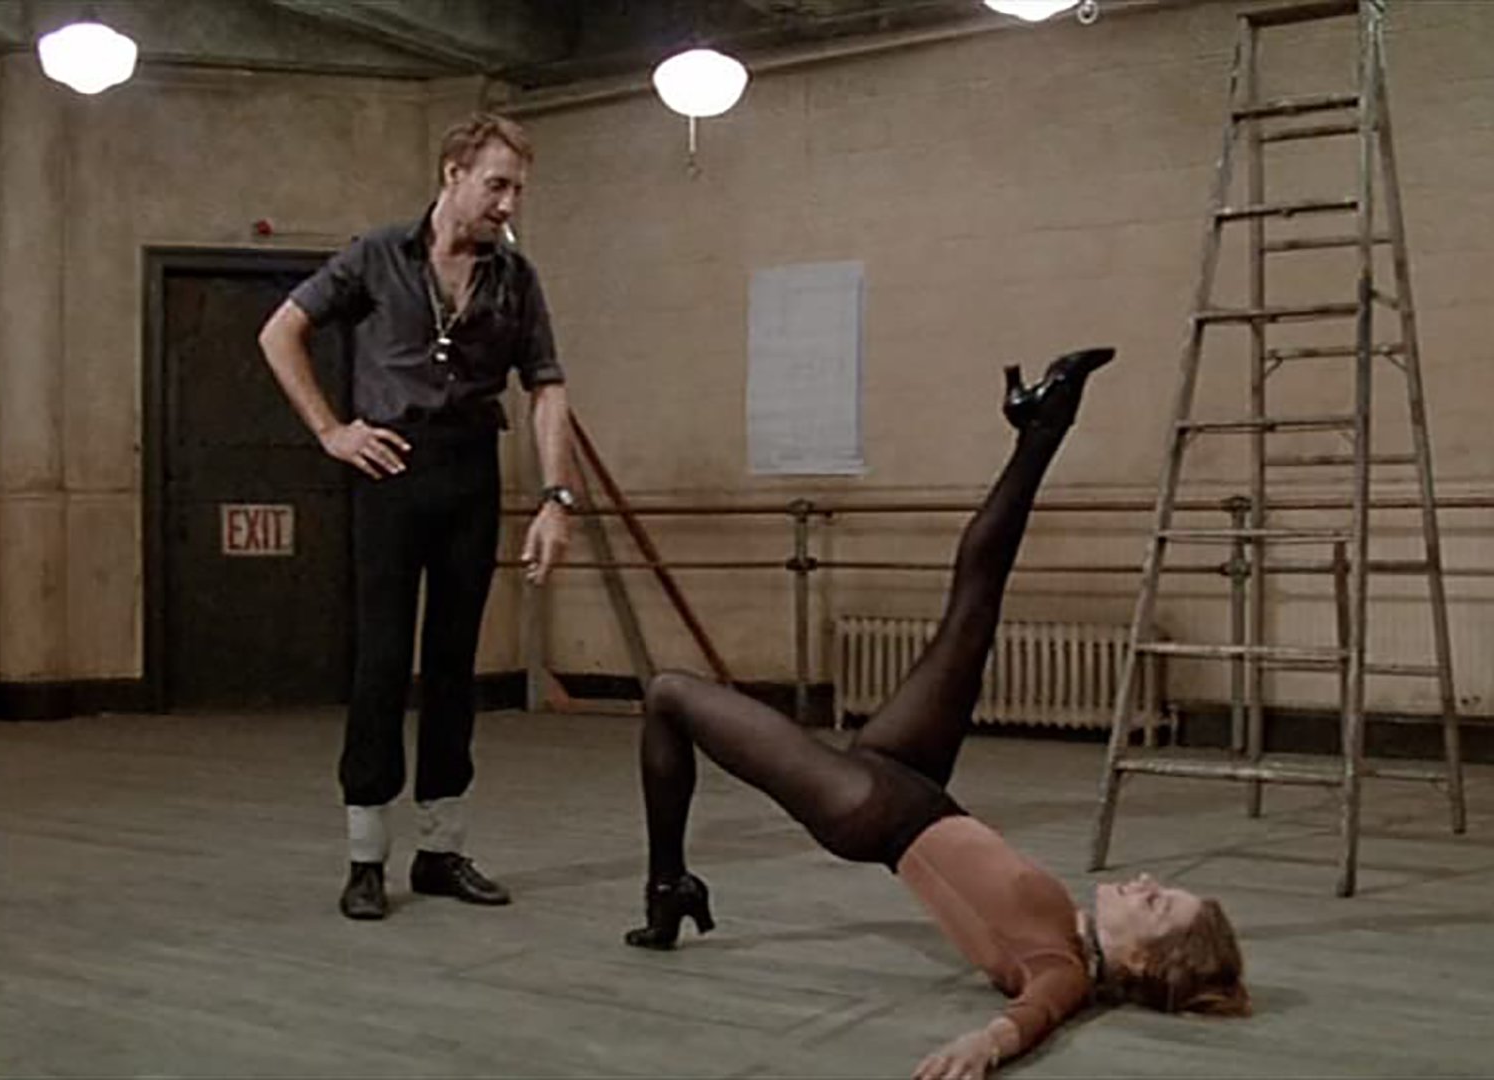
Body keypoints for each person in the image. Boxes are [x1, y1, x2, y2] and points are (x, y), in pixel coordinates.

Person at [623, 347, 1252, 1079]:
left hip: (873, 812)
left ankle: (667, 887)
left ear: (1140, 959)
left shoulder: (1061, 967)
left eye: (1156, 904)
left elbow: (1035, 1013)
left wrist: (985, 1044)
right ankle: (1044, 427)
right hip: (916, 786)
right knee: (975, 600)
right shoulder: (1073, 935)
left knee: (669, 694)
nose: (1146, 882)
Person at [258, 114, 577, 922]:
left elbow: (546, 387)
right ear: (452, 174)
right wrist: (331, 431)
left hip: (469, 473)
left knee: (453, 665)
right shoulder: (375, 256)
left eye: (518, 190)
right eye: (496, 185)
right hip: (389, 471)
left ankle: (441, 849)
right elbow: (281, 332)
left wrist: (556, 498)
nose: (508, 204)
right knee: (381, 662)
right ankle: (366, 856)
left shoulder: (516, 277)